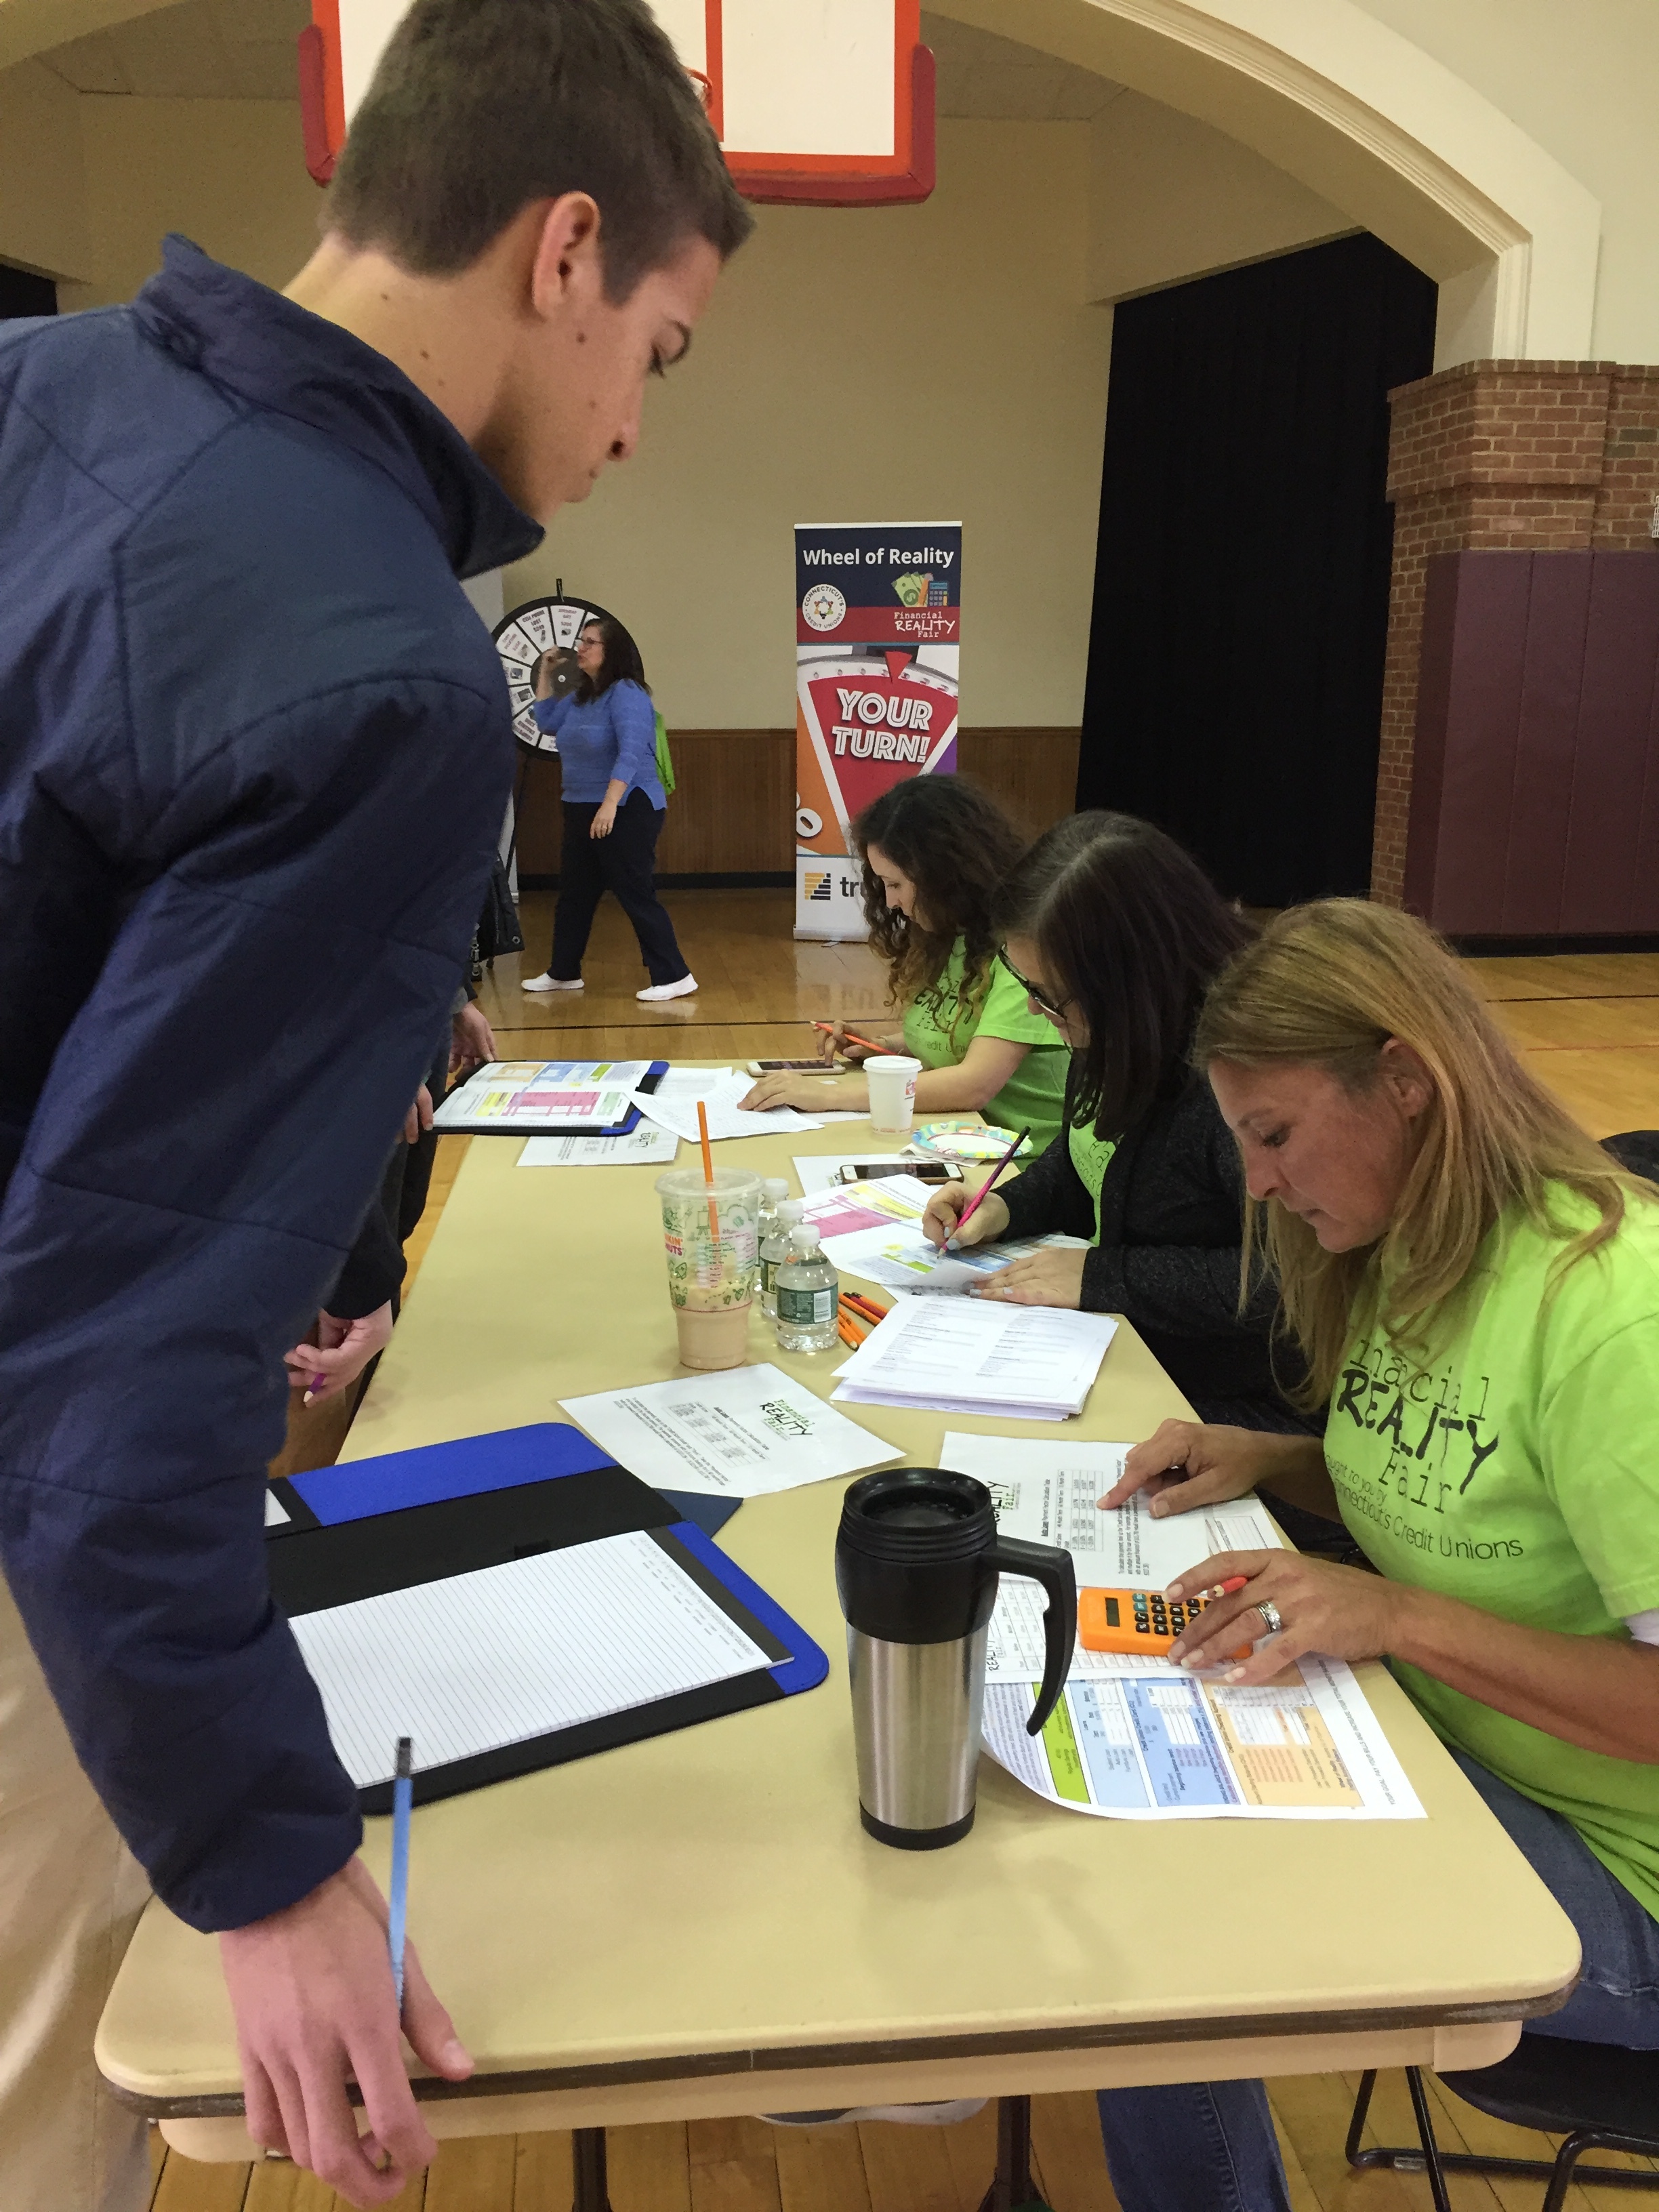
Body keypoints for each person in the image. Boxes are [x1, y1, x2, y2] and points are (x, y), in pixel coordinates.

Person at [0, 3, 750, 2205]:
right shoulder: (385, 670)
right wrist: (268, 1858)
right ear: (564, 248)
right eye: (662, 352)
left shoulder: (31, 392)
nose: (630, 432)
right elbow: (99, 1372)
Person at [1092, 900, 1659, 2212]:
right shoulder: (1410, 1243)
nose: (1262, 1183)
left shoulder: (1610, 1314)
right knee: (1153, 1798)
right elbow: (1468, 1481)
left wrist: (1396, 1616)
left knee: (1173, 1929)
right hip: (1455, 1756)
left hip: (1629, 1874)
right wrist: (1273, 1456)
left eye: (1275, 1135)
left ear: (1407, 1083)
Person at [918, 811, 1314, 1441]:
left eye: (1051, 994)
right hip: (1129, 1350)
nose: (1034, 1009)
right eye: (1028, 985)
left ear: (1130, 981)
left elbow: (1280, 1279)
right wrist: (1005, 1207)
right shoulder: (1110, 1034)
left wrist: (1103, 1275)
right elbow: (1090, 1162)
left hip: (1231, 1403)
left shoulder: (1238, 1084)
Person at [741, 776, 1069, 1143]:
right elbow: (959, 1037)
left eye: (895, 885)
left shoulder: (1020, 948)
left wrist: (829, 1096)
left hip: (1024, 1166)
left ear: (943, 876)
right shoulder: (949, 937)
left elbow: (973, 1085)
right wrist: (887, 1048)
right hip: (959, 1139)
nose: (890, 902)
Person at [520, 615, 697, 1002]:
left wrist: (610, 805)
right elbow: (546, 721)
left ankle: (675, 975)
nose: (580, 648)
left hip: (627, 806)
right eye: (580, 641)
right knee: (575, 894)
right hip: (580, 806)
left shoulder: (627, 693)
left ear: (611, 651)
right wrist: (546, 675)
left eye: (590, 642)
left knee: (634, 891)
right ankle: (563, 972)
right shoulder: (582, 694)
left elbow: (632, 752)